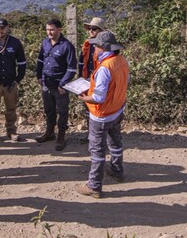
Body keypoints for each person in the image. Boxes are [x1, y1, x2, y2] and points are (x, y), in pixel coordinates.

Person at [76, 31, 129, 198]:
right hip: (117, 109)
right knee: (115, 142)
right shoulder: (121, 61)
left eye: (96, 46)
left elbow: (98, 97)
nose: (94, 49)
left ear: (102, 48)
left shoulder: (105, 68)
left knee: (97, 150)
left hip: (101, 115)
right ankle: (117, 170)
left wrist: (84, 97)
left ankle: (94, 185)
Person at [35, 18, 77, 151]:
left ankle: (61, 137)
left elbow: (72, 68)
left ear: (59, 29)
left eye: (52, 29)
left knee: (62, 111)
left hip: (60, 86)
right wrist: (39, 76)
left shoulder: (67, 46)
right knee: (49, 110)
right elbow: (40, 60)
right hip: (46, 84)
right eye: (47, 29)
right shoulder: (45, 43)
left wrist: (63, 83)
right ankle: (50, 132)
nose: (49, 32)